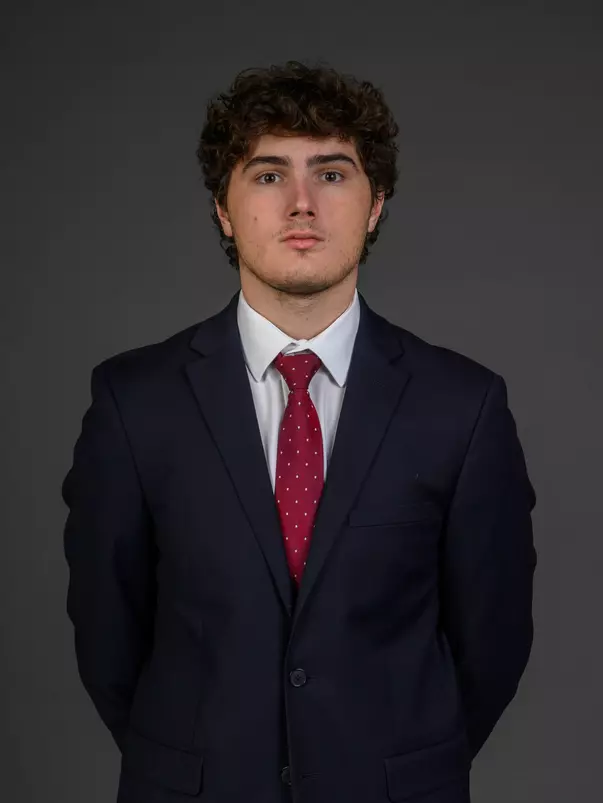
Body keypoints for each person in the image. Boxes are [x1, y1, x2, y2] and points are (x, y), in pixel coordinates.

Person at [62, 59, 538, 803]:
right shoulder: (133, 401)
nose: (301, 204)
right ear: (223, 209)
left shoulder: (463, 405)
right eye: (267, 175)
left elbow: (493, 642)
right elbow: (106, 634)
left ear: (375, 205)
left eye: (332, 173)